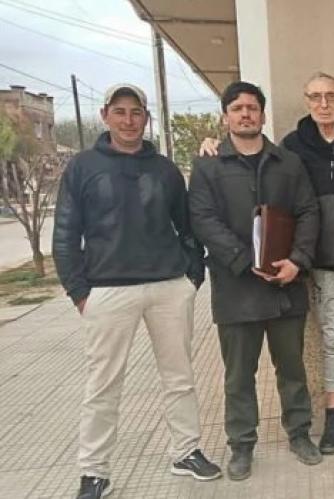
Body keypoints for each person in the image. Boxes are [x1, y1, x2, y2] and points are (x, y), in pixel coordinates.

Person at [198, 72, 334, 455]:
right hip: (324, 260)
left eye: (331, 96)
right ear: (306, 101)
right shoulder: (293, 147)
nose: (324, 103)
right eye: (315, 96)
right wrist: (213, 145)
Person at [53, 83, 220, 499]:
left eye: (136, 112)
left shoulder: (164, 169)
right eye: (120, 112)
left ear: (146, 118)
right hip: (107, 291)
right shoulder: (83, 167)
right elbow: (65, 234)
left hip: (168, 287)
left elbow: (186, 226)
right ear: (105, 115)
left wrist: (191, 276)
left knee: (179, 377)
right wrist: (79, 291)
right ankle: (94, 471)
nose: (129, 121)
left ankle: (186, 450)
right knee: (103, 384)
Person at [189, 81, 322, 480]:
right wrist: (245, 261)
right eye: (237, 108)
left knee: (292, 369)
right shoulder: (209, 165)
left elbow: (309, 212)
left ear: (263, 115)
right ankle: (242, 445)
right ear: (225, 116)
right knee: (238, 376)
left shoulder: (288, 162)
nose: (245, 114)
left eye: (252, 107)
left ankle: (299, 433)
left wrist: (298, 261)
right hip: (236, 288)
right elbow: (203, 219)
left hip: (285, 284)